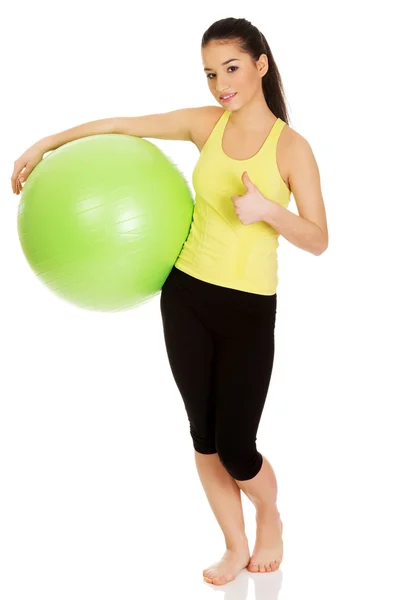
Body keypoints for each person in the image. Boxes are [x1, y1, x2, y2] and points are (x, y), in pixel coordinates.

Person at [11, 16, 328, 586]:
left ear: (261, 64)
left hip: (249, 307)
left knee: (238, 447)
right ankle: (234, 547)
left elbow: (319, 239)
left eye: (231, 68)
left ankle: (269, 513)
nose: (221, 84)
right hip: (186, 295)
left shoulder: (292, 149)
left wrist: (269, 213)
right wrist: (47, 142)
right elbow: (123, 124)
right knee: (203, 435)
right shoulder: (207, 125)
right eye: (210, 73)